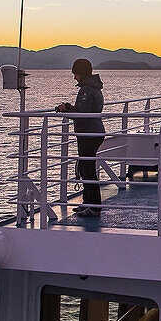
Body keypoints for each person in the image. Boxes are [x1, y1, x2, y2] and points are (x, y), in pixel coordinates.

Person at [56, 59, 105, 216]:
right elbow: (84, 110)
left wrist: (66, 110)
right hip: (93, 132)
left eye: (75, 74)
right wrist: (70, 107)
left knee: (88, 170)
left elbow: (82, 115)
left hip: (89, 133)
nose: (74, 77)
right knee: (85, 168)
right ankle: (87, 202)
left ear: (82, 73)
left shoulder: (86, 90)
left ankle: (95, 207)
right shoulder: (94, 88)